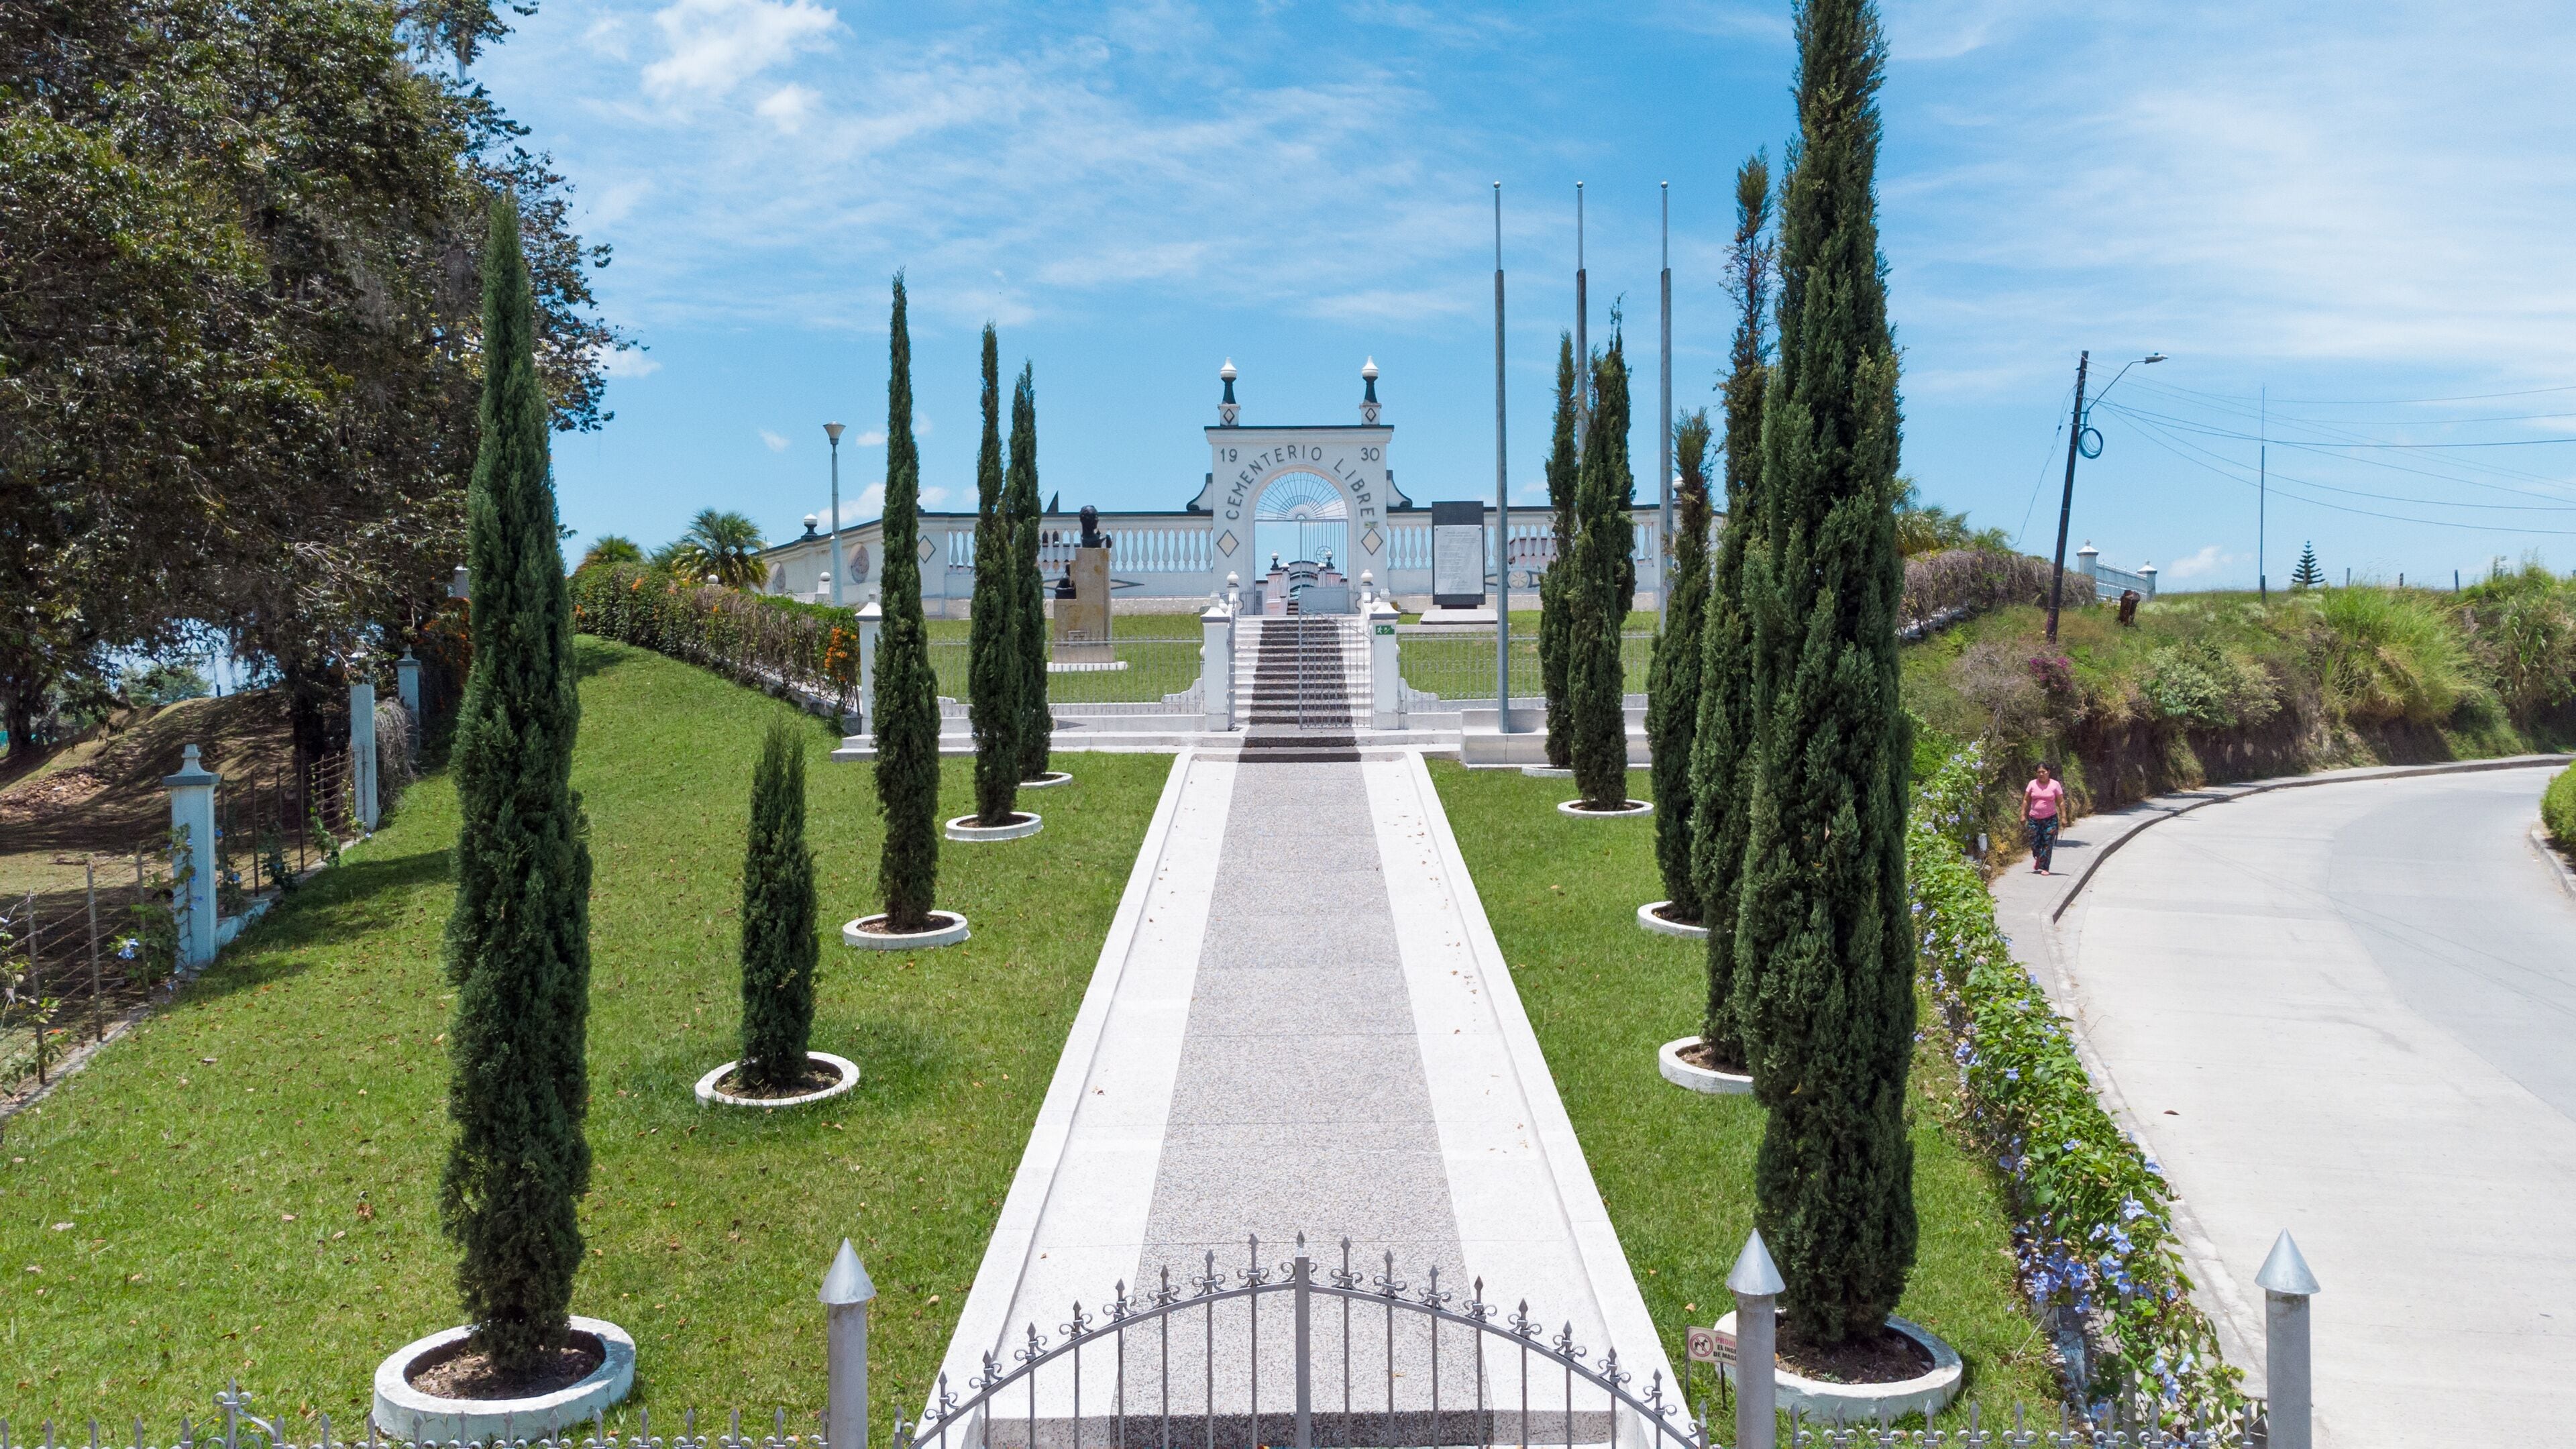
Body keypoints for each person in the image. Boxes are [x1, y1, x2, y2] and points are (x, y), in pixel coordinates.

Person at [2023, 763, 2067, 875]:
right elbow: (2026, 800)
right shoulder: (2032, 784)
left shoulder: (2055, 785)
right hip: (2034, 819)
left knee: (2048, 843)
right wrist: (2022, 814)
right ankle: (2038, 856)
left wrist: (2064, 817)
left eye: (2044, 772)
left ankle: (2045, 867)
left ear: (2049, 772)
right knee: (2034, 842)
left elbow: (2061, 801)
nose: (2041, 774)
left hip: (2050, 819)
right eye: (2039, 772)